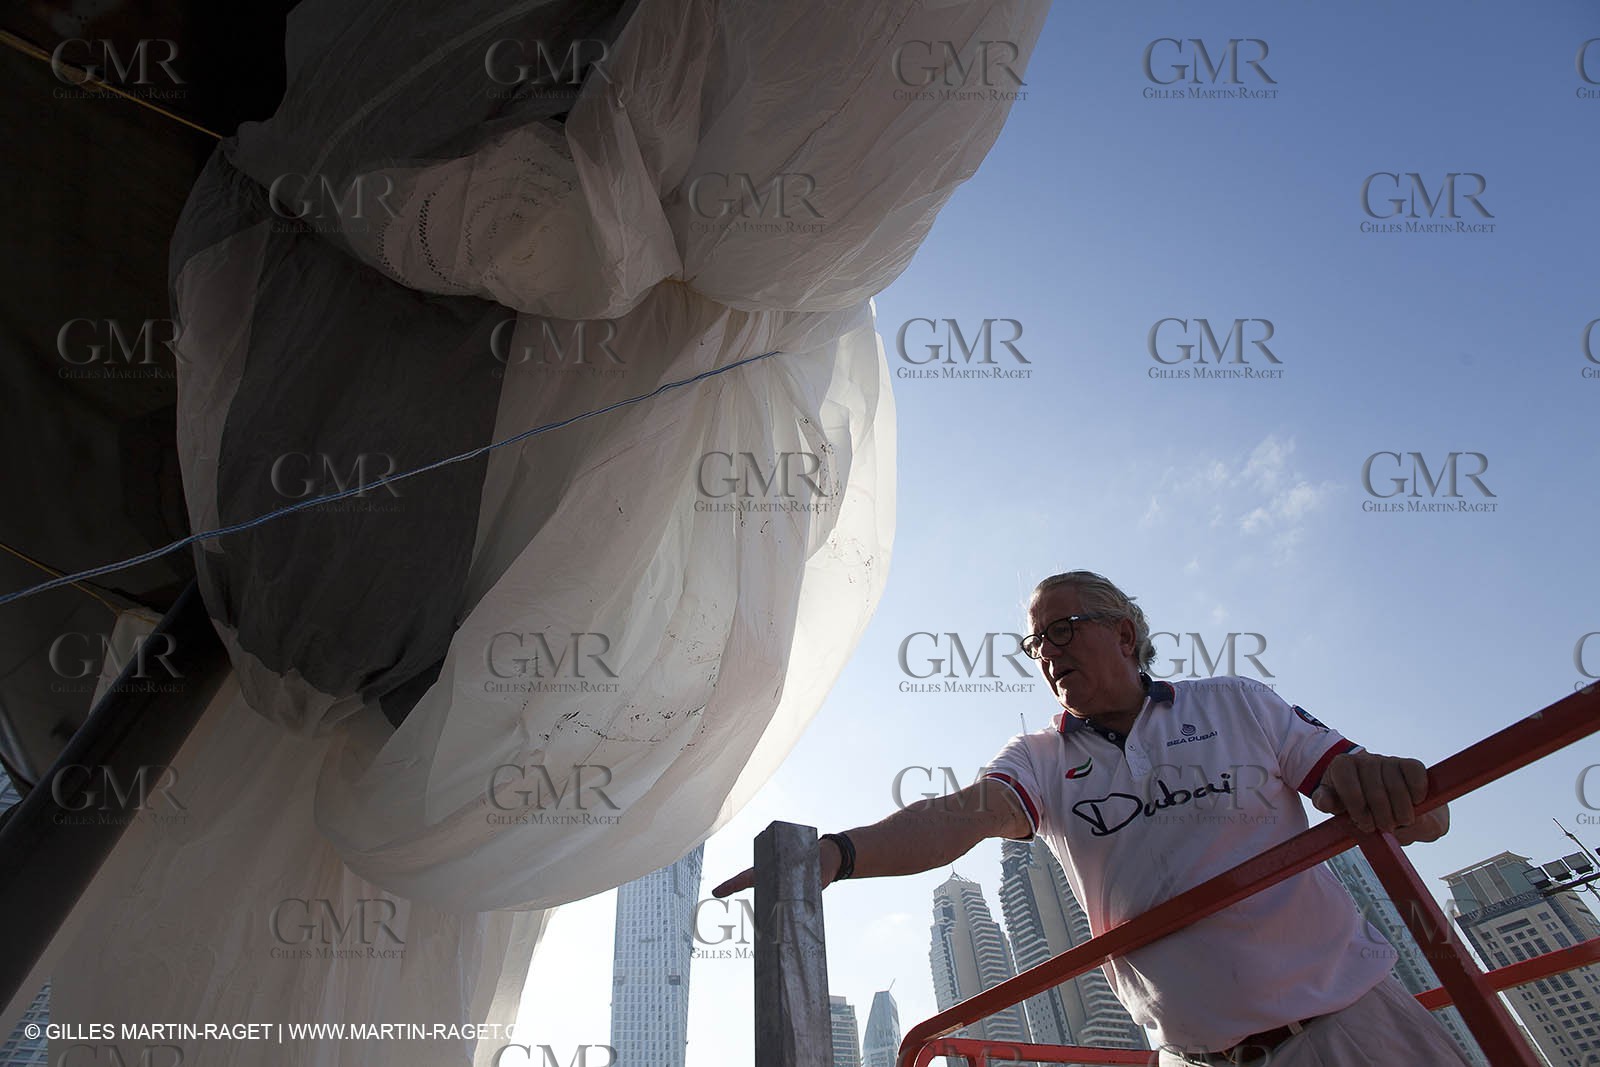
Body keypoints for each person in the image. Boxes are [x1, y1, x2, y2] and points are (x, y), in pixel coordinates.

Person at [712, 570, 1471, 1066]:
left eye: (1062, 629)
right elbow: (959, 817)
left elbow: (1404, 809)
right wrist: (837, 854)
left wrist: (1402, 791)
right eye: (1035, 641)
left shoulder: (1238, 704)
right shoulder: (1040, 757)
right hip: (1194, 1057)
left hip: (1348, 1031)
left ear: (1125, 634)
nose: (1046, 651)